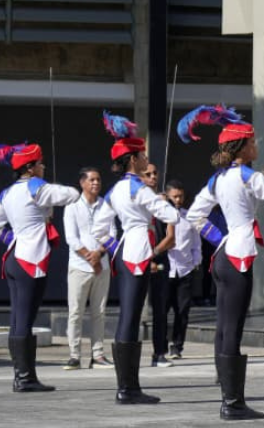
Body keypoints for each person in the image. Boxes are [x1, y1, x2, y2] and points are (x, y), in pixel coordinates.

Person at [180, 104, 264, 421]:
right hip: (238, 256)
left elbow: (194, 215)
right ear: (243, 147)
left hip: (223, 254)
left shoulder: (218, 179)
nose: (257, 146)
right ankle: (232, 403)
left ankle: (228, 395)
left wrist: (218, 239)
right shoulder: (247, 175)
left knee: (224, 326)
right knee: (233, 327)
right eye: (254, 141)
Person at [0, 141, 79, 392]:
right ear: (31, 168)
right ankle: (25, 379)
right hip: (30, 260)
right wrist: (47, 196)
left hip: (14, 258)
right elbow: (73, 194)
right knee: (24, 319)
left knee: (17, 319)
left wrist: (13, 239)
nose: (44, 166)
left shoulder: (8, 192)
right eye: (40, 163)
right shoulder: (37, 186)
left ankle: (21, 376)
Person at [93, 112, 179, 405]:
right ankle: (127, 389)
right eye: (141, 154)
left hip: (126, 250)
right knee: (130, 316)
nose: (145, 158)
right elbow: (170, 216)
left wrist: (115, 249)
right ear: (132, 160)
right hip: (138, 249)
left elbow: (99, 229)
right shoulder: (137, 187)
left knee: (129, 316)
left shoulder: (116, 189)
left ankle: (129, 386)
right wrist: (164, 202)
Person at [63, 166, 114, 370]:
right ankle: (74, 355)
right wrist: (89, 257)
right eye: (91, 180)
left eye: (98, 179)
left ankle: (98, 354)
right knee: (75, 312)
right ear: (82, 183)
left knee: (99, 312)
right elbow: (71, 238)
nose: (96, 183)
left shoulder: (106, 205)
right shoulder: (72, 206)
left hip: (101, 267)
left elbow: (113, 234)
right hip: (79, 267)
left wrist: (99, 255)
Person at [141, 163, 175, 368]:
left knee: (161, 308)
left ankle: (160, 352)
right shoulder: (137, 200)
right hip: (138, 258)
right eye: (148, 174)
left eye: (155, 174)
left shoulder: (164, 203)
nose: (153, 177)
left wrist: (154, 254)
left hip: (159, 259)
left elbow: (171, 237)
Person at [165, 178, 201, 360]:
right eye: (174, 197)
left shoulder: (189, 217)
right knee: (163, 309)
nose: (177, 200)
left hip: (185, 269)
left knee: (182, 310)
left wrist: (195, 262)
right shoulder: (161, 217)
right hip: (167, 269)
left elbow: (196, 243)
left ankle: (177, 346)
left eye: (180, 197)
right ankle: (161, 345)